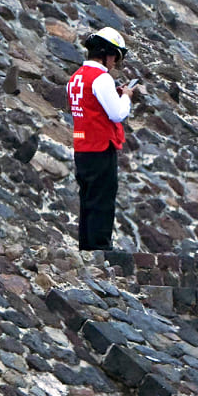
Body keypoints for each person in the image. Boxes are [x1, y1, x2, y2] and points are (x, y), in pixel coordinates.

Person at [68, 27, 137, 251]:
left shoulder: (75, 78)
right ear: (106, 53)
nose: (115, 62)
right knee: (102, 199)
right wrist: (126, 97)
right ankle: (100, 247)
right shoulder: (101, 78)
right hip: (100, 146)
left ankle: (87, 246)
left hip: (82, 145)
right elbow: (117, 114)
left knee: (87, 198)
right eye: (115, 56)